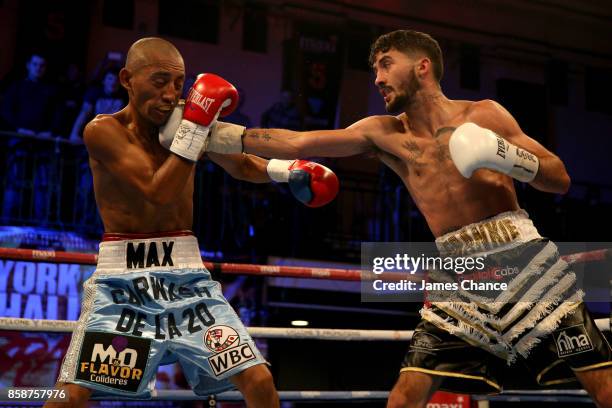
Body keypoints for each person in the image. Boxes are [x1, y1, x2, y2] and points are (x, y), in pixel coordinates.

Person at [199, 30, 612, 407]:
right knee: (406, 396)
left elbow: (558, 178)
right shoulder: (383, 133)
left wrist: (508, 156)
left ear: (422, 66)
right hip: (460, 271)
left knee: (601, 382)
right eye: (374, 67)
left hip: (521, 255)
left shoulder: (484, 115)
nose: (377, 77)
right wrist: (210, 131)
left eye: (385, 63)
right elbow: (299, 142)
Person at [44, 37, 338, 407]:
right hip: (124, 286)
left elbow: (240, 160)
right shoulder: (102, 131)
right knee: (72, 396)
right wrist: (195, 127)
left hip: (189, 283)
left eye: (178, 83)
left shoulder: (185, 119)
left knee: (259, 380)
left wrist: (287, 170)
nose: (170, 94)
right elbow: (156, 190)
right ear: (126, 79)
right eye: (159, 80)